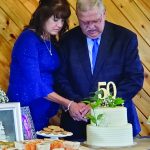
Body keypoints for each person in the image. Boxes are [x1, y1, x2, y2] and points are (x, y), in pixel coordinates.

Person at [56, 0, 144, 141]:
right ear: (78, 17)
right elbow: (60, 78)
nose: (91, 27)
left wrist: (100, 104)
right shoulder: (67, 40)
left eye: (96, 20)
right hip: (76, 124)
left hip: (116, 127)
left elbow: (134, 79)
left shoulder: (125, 38)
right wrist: (74, 104)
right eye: (84, 22)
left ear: (104, 14)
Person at [7, 0, 86, 132]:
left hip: (43, 108)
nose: (59, 25)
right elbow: (35, 84)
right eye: (55, 19)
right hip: (25, 110)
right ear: (43, 15)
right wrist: (69, 103)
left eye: (62, 20)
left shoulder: (50, 39)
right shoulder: (28, 39)